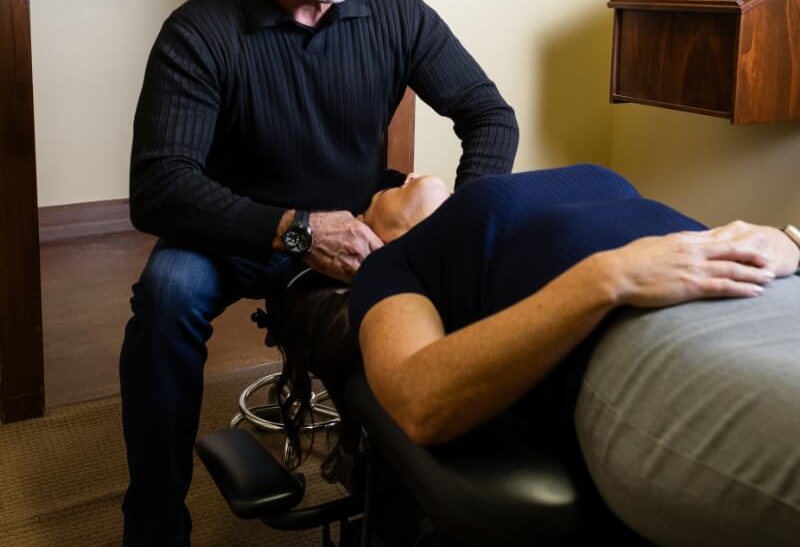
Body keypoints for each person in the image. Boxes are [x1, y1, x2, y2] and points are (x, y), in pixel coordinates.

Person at [120, 0, 518, 546]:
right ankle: (153, 521)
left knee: (452, 292)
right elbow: (158, 188)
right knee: (165, 294)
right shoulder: (201, 31)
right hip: (236, 229)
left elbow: (490, 114)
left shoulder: (395, 14)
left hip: (359, 221)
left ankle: (403, 498)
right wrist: (298, 229)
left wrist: (470, 220)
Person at [270, 165, 800, 542]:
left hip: (773, 291)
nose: (407, 175)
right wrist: (608, 277)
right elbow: (418, 397)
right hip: (658, 346)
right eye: (384, 190)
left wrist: (786, 243)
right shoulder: (392, 269)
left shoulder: (546, 186)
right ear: (369, 236)